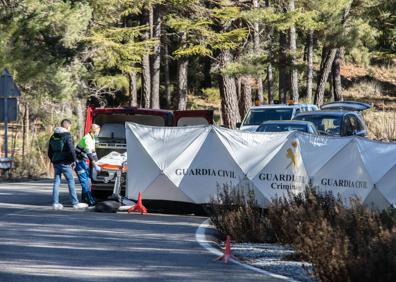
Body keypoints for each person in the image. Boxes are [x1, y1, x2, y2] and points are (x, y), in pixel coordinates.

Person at [48, 119, 88, 210]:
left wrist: (53, 159)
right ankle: (75, 203)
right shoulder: (67, 135)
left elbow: (49, 151)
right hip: (65, 162)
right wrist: (74, 160)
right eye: (70, 126)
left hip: (56, 162)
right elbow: (71, 149)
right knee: (70, 181)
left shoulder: (53, 136)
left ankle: (55, 203)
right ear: (67, 126)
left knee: (56, 182)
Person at [75, 123, 101, 206]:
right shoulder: (88, 138)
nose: (99, 132)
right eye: (98, 131)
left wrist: (98, 162)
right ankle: (89, 200)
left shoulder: (92, 138)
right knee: (85, 181)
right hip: (79, 161)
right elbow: (89, 153)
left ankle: (86, 198)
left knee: (88, 180)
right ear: (94, 130)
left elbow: (93, 153)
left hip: (82, 161)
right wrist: (94, 164)